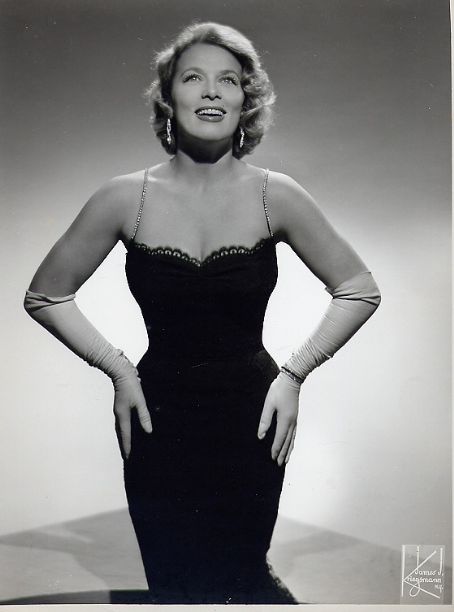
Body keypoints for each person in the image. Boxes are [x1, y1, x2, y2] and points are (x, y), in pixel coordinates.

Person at [23, 22, 381, 605]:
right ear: (168, 98)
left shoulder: (276, 194)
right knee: (173, 587)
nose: (212, 91)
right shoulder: (124, 196)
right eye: (193, 78)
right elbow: (45, 295)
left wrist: (294, 375)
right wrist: (118, 369)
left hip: (252, 418)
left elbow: (359, 289)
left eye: (228, 81)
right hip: (157, 416)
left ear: (246, 101)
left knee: (237, 581)